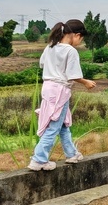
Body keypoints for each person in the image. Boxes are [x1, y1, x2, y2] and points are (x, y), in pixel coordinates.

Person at [28, 19, 96, 171]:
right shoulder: (70, 51)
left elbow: (42, 64)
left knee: (63, 124)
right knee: (53, 127)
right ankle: (39, 159)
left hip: (48, 88)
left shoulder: (50, 47)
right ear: (76, 35)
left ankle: (71, 154)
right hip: (60, 91)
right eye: (81, 39)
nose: (80, 42)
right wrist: (85, 82)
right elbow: (72, 75)